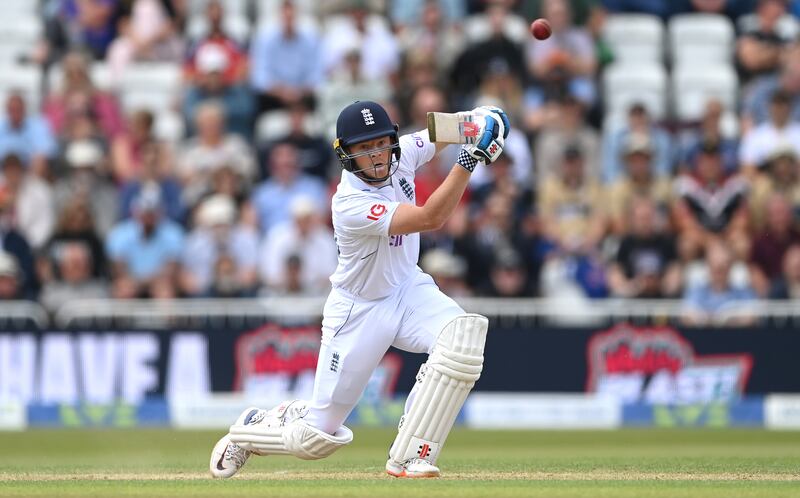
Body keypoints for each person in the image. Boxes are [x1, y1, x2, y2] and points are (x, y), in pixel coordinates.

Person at [209, 101, 509, 478]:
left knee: (462, 337)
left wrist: (485, 118)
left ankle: (414, 453)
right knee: (315, 437)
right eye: (363, 149)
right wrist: (470, 158)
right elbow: (430, 218)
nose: (376, 155)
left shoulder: (402, 155)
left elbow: (442, 130)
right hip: (359, 309)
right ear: (345, 154)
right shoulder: (350, 203)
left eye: (381, 143)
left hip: (408, 288)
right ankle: (252, 428)